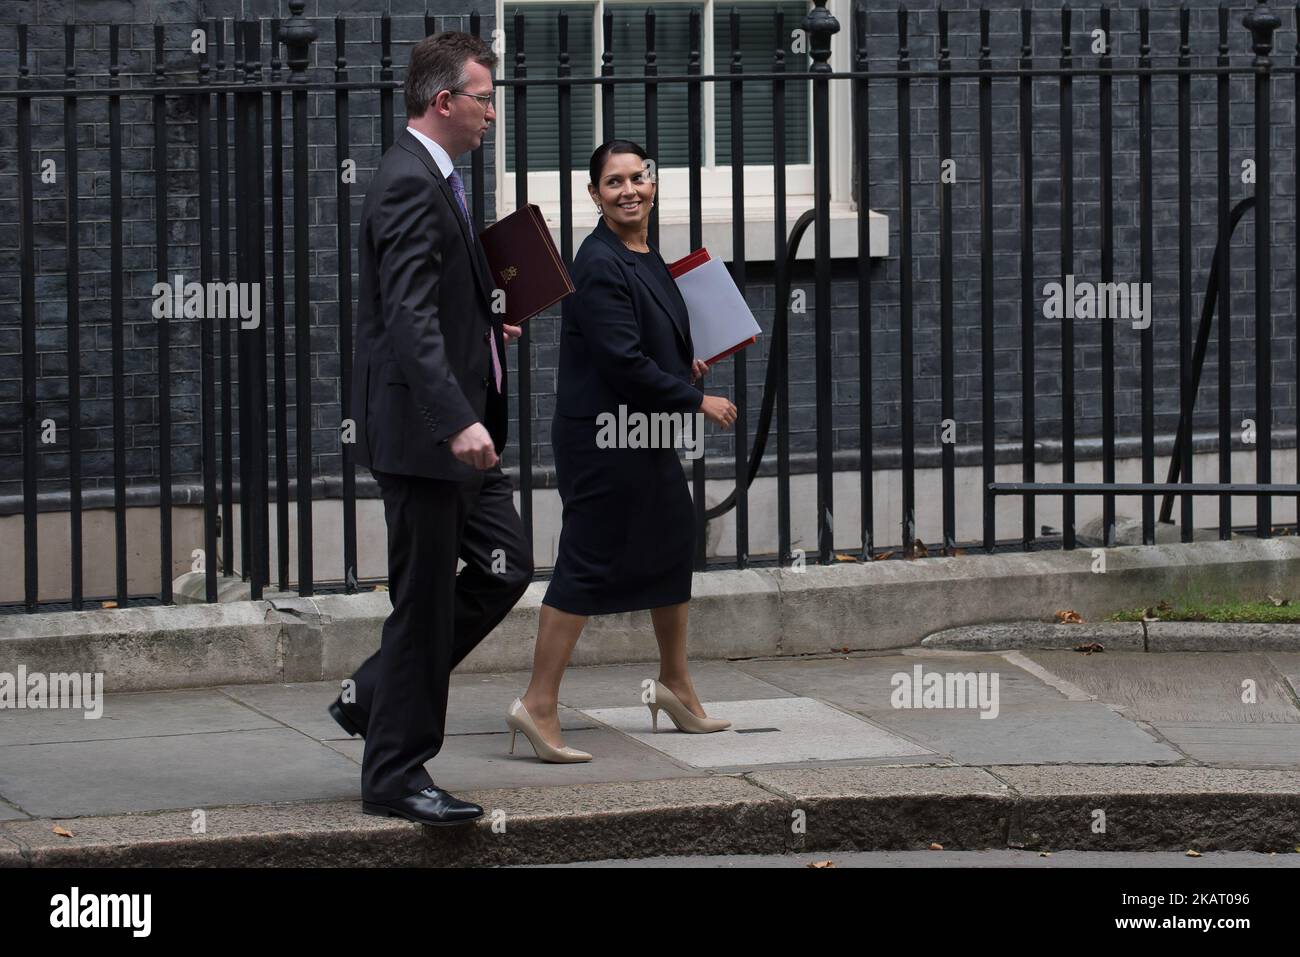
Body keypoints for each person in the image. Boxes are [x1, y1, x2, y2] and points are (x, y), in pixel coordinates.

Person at [328, 32, 532, 825]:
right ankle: (396, 774)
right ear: (444, 101)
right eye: (485, 96)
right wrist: (455, 420)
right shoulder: (411, 180)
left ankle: (373, 694)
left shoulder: (436, 175)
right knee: (423, 605)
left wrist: (485, 327)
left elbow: (430, 305)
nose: (492, 110)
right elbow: (406, 318)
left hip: (452, 427)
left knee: (505, 565)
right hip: (429, 436)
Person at [505, 140, 738, 762]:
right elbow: (621, 360)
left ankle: (675, 685)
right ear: (594, 195)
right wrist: (696, 401)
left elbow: (648, 333)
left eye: (638, 178)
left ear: (653, 184)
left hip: (641, 434)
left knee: (671, 542)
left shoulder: (642, 253)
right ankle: (538, 702)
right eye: (614, 183)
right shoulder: (597, 262)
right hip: (604, 440)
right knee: (588, 559)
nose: (629, 190)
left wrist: (683, 357)